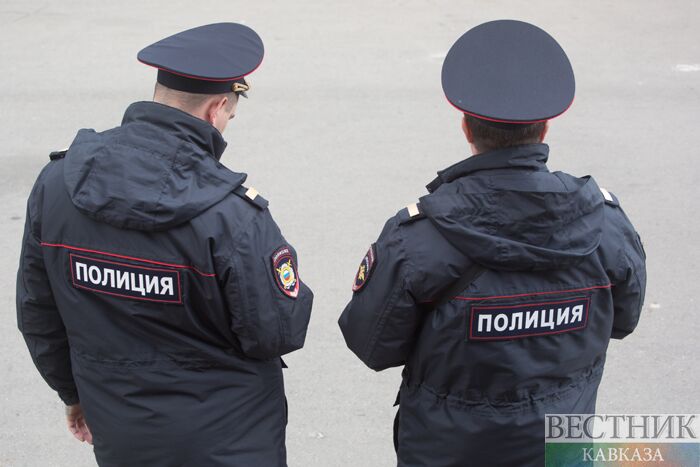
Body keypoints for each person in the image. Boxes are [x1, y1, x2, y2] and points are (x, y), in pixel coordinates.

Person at [338, 20, 646, 467]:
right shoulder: (606, 225)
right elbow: (624, 319)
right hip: (562, 446)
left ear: (466, 128)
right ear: (545, 131)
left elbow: (372, 343)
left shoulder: (419, 238)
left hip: (447, 449)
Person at [16, 23, 313, 467]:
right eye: (230, 116)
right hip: (231, 436)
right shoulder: (232, 215)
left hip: (118, 428)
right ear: (217, 109)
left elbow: (38, 311)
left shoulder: (56, 184)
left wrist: (73, 394)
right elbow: (276, 331)